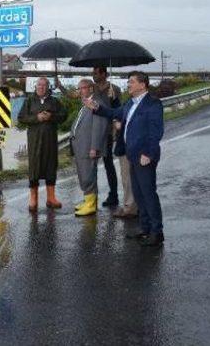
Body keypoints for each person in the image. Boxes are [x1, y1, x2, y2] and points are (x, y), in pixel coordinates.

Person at [84, 71, 165, 246]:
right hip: (132, 155)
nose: (128, 85)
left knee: (148, 193)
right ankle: (145, 228)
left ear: (143, 85)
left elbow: (155, 131)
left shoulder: (153, 104)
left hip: (144, 157)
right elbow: (114, 112)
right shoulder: (130, 103)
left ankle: (157, 232)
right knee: (139, 194)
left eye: (132, 82)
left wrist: (148, 154)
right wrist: (96, 107)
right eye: (128, 82)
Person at [17, 77, 67, 212]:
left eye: (44, 85)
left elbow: (63, 116)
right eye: (39, 85)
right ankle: (33, 198)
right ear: (35, 86)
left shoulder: (55, 101)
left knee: (51, 165)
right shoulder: (29, 101)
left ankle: (51, 198)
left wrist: (51, 116)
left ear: (48, 87)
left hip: (50, 140)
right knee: (34, 167)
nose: (41, 87)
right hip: (34, 141)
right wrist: (36, 118)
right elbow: (21, 118)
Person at [70, 79, 109, 216]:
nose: (80, 91)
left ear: (91, 88)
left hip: (89, 147)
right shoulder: (86, 103)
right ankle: (88, 200)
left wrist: (94, 147)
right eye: (79, 88)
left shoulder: (96, 103)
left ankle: (91, 205)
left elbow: (99, 126)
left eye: (83, 88)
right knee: (84, 174)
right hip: (81, 146)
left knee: (88, 175)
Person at [92, 67, 122, 207]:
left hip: (107, 131)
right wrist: (59, 86)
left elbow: (118, 111)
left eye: (96, 73)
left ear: (104, 74)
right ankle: (92, 196)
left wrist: (113, 98)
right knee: (92, 164)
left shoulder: (114, 89)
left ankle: (113, 195)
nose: (93, 75)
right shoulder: (92, 89)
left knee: (108, 163)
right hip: (93, 130)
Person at [111, 120, 138, 218]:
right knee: (131, 176)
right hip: (130, 142)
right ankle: (135, 206)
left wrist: (116, 123)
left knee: (127, 177)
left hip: (126, 143)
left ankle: (130, 208)